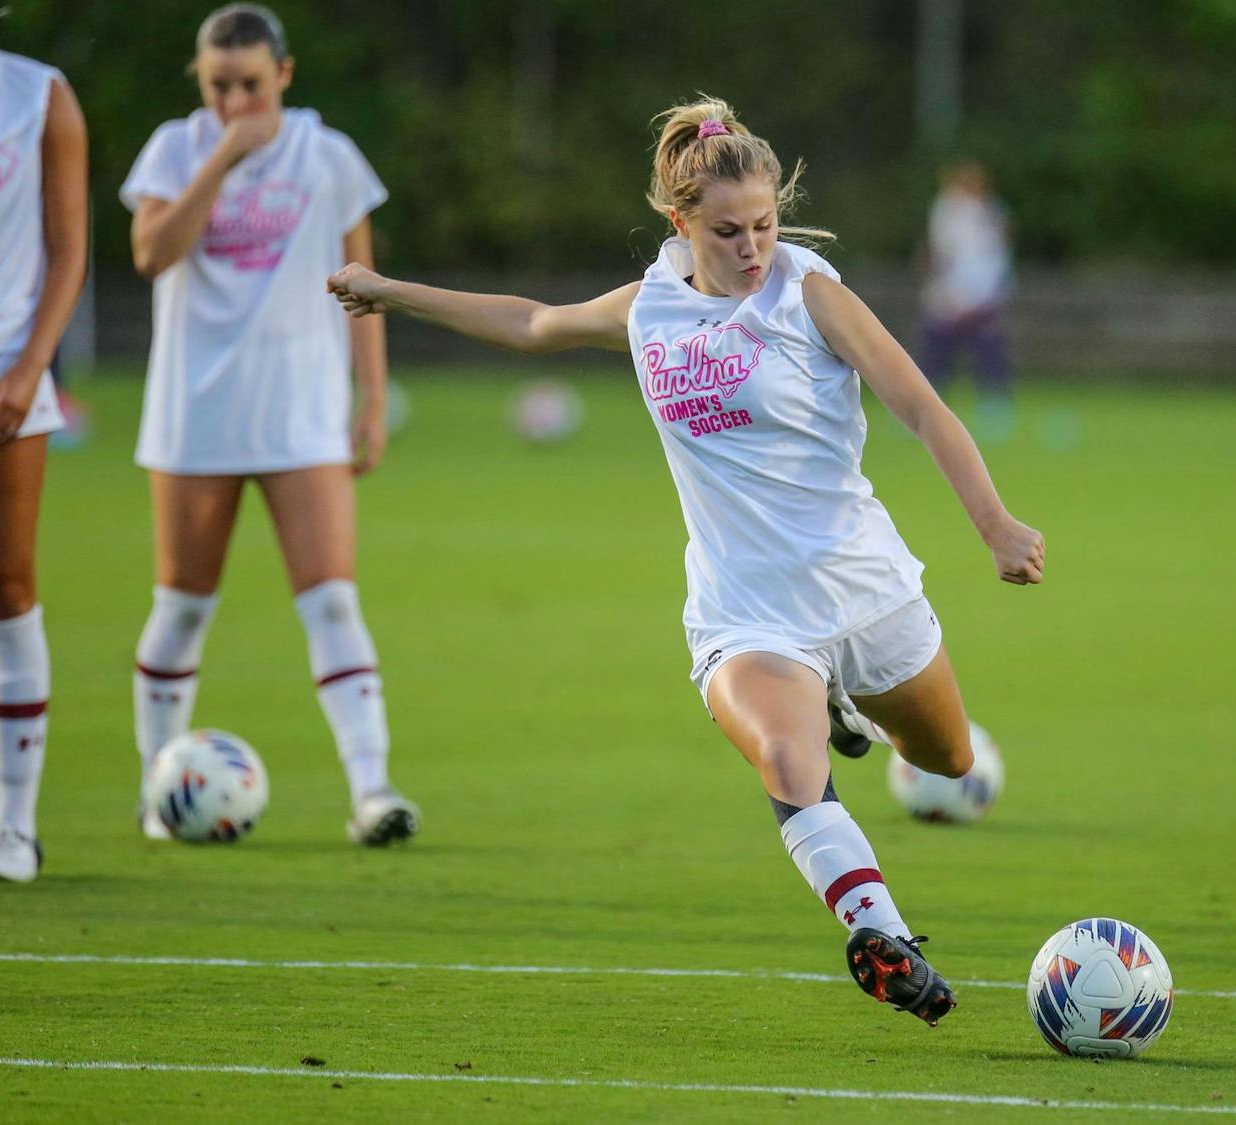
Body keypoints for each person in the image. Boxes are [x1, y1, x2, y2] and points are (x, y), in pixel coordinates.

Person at [327, 97, 1044, 1024]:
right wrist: (389, 292)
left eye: (765, 225)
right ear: (681, 223)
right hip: (746, 610)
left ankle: (843, 700)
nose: (753, 247)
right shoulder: (651, 306)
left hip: (863, 588)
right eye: (728, 231)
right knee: (788, 758)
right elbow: (535, 324)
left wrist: (994, 524)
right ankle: (882, 934)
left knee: (943, 756)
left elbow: (922, 407)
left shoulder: (810, 291)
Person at [120, 3, 418, 845]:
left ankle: (372, 791)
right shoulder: (177, 148)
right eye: (218, 85)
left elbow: (366, 288)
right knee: (180, 609)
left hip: (299, 411)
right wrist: (222, 156)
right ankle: (158, 793)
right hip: (194, 412)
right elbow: (151, 254)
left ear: (283, 75)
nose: (234, 100)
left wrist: (370, 400)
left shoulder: (327, 156)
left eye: (250, 84)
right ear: (200, 82)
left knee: (331, 599)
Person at [0, 0, 88, 881]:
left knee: (5, 588)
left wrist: (32, 363)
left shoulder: (42, 97)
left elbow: (69, 248)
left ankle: (15, 826)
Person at [918, 160, 1015, 437]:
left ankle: (994, 409)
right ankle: (925, 407)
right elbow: (942, 255)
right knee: (934, 353)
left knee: (988, 352)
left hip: (981, 297)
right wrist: (946, 293)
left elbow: (991, 259)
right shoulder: (945, 211)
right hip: (948, 298)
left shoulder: (989, 214)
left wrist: (980, 295)